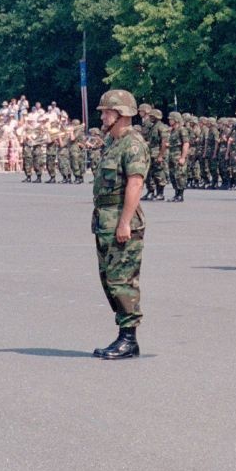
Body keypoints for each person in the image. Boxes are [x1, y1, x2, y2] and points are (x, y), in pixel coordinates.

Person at [89, 89, 149, 360]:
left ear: (122, 114)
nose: (102, 115)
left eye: (107, 111)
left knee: (121, 280)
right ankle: (124, 335)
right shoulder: (113, 142)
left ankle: (129, 339)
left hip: (121, 221)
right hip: (106, 219)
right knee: (109, 279)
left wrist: (125, 222)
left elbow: (135, 184)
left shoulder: (133, 144)